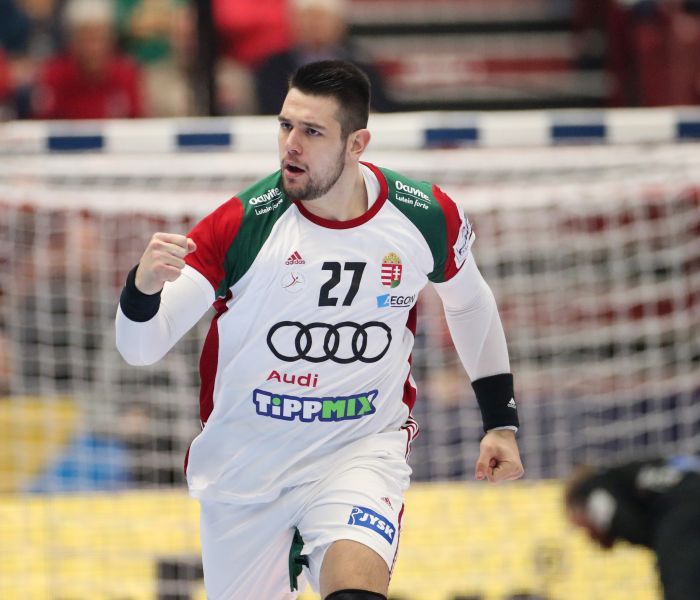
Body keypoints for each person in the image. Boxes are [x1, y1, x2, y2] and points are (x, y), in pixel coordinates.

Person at [115, 59, 523, 600]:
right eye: (286, 126)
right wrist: (141, 288)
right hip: (246, 469)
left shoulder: (422, 215)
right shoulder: (242, 225)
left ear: (357, 144)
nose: (291, 145)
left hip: (358, 451)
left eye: (312, 132)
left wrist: (500, 422)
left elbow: (470, 303)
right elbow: (141, 347)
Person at [564, 456, 700, 600]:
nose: (585, 536)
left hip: (696, 512)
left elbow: (630, 526)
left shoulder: (590, 489)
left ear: (577, 508)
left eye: (579, 527)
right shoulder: (639, 473)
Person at [254, 0, 394, 115]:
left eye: (321, 18)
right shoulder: (273, 68)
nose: (314, 24)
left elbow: (379, 109)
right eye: (307, 17)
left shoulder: (362, 65)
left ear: (339, 24)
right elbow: (271, 109)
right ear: (293, 23)